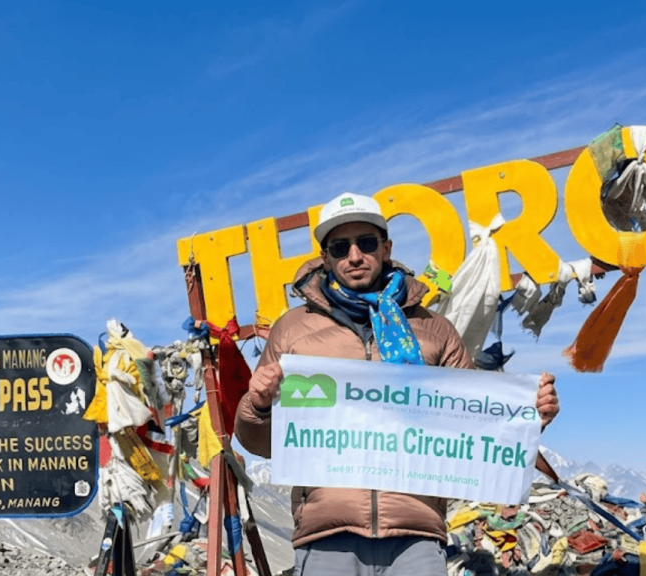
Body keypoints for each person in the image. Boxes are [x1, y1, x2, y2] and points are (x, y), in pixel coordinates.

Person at [234, 192, 560, 576]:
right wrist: (257, 405)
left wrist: (527, 416)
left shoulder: (434, 329)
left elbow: (475, 424)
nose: (354, 256)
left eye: (366, 243)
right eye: (340, 247)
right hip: (326, 531)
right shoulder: (292, 329)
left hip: (416, 532)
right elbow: (260, 443)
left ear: (386, 248)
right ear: (326, 257)